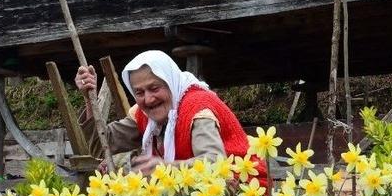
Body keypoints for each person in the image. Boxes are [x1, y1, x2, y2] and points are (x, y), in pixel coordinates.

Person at [75, 50, 267, 185]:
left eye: (155, 88)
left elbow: (215, 163)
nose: (148, 99)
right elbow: (102, 145)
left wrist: (165, 167)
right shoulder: (144, 114)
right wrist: (89, 99)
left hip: (242, 188)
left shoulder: (198, 109)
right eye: (139, 92)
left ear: (170, 82)